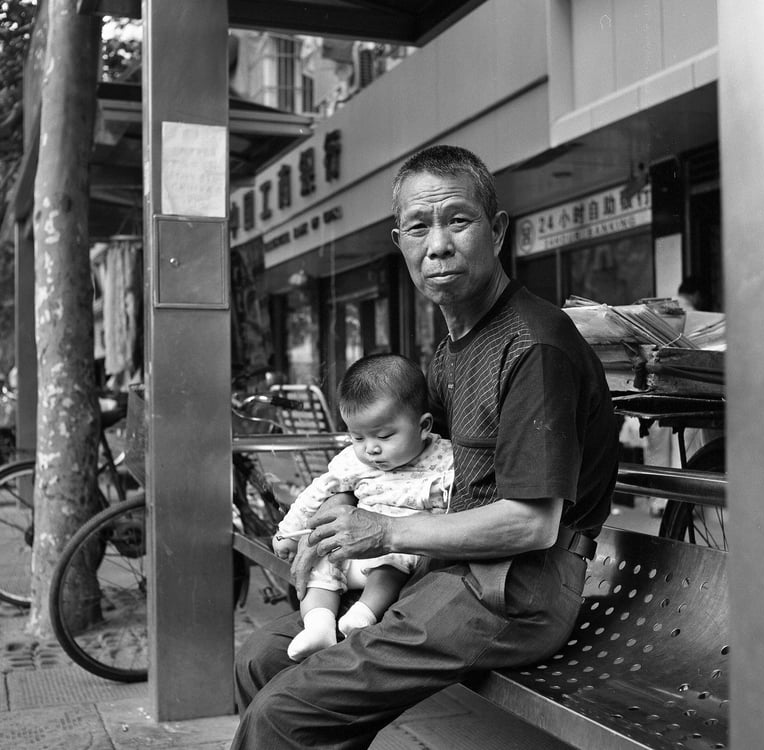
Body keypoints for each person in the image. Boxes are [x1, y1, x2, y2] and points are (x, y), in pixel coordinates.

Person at [230, 145, 619, 749]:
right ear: (400, 242)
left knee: (285, 714)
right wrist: (330, 530)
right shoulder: (452, 349)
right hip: (450, 575)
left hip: (515, 590)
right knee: (262, 657)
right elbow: (405, 465)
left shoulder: (534, 348)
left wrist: (381, 532)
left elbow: (531, 526)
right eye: (418, 226)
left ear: (497, 230)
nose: (437, 244)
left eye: (457, 220)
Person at [273, 353, 453, 662]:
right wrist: (288, 533)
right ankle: (319, 626)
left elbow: (458, 496)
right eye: (357, 437)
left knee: (391, 560)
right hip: (350, 548)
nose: (371, 448)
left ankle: (364, 613)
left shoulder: (443, 458)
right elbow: (317, 493)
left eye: (384, 436)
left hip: (396, 551)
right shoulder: (352, 461)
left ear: (423, 426)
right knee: (320, 560)